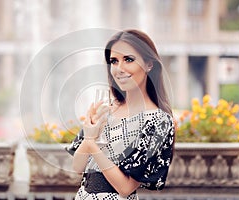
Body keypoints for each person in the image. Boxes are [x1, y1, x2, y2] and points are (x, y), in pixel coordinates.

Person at [66, 29, 175, 200]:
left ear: (149, 64)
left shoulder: (159, 122)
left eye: (128, 59)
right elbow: (77, 167)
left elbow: (125, 188)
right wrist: (88, 137)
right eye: (114, 61)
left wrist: (93, 145)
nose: (119, 69)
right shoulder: (106, 109)